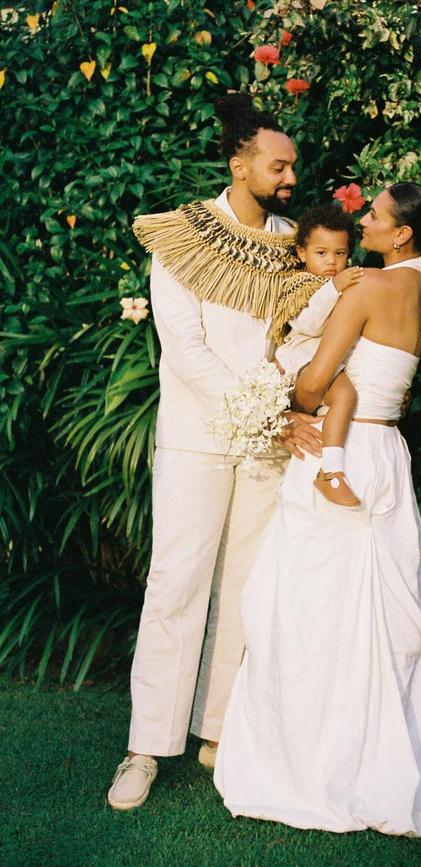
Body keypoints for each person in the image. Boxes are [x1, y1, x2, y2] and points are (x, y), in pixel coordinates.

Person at [214, 182, 421, 836]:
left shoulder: (366, 289)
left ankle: (314, 766)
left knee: (313, 610)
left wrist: (284, 385)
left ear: (401, 235)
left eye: (376, 213)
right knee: (364, 616)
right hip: (384, 451)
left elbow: (312, 384)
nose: (364, 217)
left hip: (341, 444)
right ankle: (382, 755)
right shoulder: (418, 292)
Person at [107, 93, 338, 811]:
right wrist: (264, 406)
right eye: (279, 164)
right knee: (176, 582)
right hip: (199, 436)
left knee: (245, 584)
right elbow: (183, 348)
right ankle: (145, 747)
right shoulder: (182, 236)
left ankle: (218, 731)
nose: (290, 176)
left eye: (293, 165)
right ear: (239, 163)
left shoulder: (291, 243)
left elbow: (302, 332)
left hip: (266, 445)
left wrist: (294, 393)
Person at [274, 203, 364, 507]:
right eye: (321, 253)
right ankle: (330, 471)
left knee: (343, 404)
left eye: (339, 254)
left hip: (324, 361)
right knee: (346, 397)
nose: (331, 262)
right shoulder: (300, 284)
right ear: (302, 253)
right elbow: (308, 324)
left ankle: (326, 464)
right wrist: (334, 288)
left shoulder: (342, 284)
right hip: (302, 360)